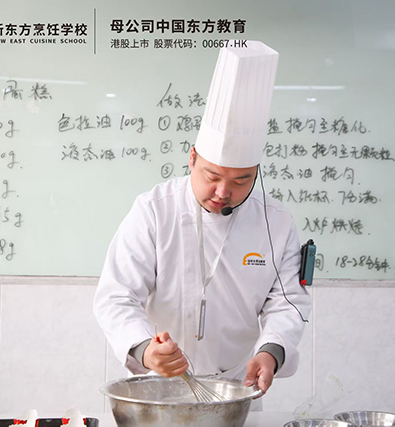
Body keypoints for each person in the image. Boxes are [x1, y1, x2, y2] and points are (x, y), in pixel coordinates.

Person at [93, 41, 311, 399]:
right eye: (212, 175)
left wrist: (271, 350)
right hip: (159, 383)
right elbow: (116, 295)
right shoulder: (154, 210)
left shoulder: (277, 224)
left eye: (241, 180)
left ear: (256, 173)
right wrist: (145, 349)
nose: (224, 191)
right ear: (192, 158)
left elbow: (288, 302)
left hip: (236, 386)